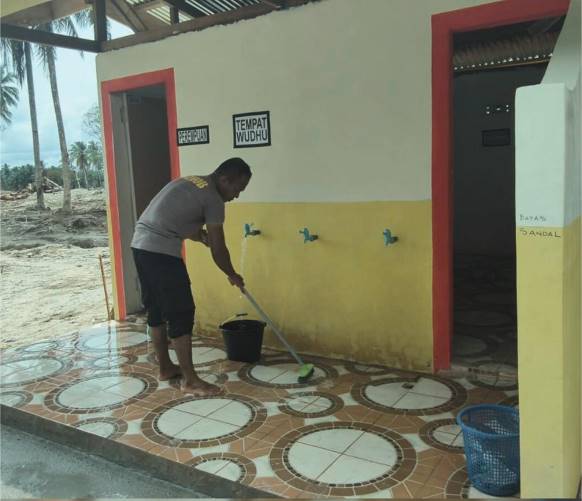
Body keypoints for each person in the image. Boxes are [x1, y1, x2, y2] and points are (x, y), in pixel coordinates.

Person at [131, 157, 251, 395]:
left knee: (156, 310)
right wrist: (232, 274)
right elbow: (219, 248)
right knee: (181, 312)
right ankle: (190, 381)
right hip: (161, 252)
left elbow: (175, 219)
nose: (237, 195)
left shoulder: (192, 182)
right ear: (224, 179)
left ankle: (165, 368)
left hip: (141, 246)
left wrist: (199, 236)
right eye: (237, 188)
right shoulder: (214, 199)